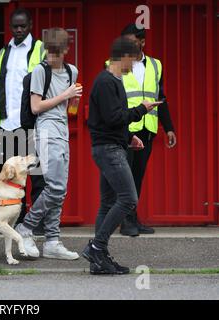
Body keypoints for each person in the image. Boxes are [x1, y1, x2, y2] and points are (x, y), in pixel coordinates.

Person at [82, 37, 161, 275]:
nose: (134, 66)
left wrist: (128, 138)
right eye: (134, 61)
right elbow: (113, 118)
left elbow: (113, 119)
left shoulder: (114, 81)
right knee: (128, 199)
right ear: (124, 57)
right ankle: (97, 247)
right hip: (109, 150)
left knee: (107, 202)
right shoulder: (106, 81)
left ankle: (99, 261)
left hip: (112, 146)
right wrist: (141, 109)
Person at [15, 28, 82, 260]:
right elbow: (36, 107)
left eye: (55, 53)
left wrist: (73, 100)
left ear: (65, 50)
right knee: (54, 187)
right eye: (48, 52)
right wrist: (65, 95)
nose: (50, 57)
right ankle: (26, 227)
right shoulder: (39, 71)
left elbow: (69, 111)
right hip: (45, 131)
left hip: (62, 131)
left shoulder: (72, 72)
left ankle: (52, 241)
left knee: (60, 190)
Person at [0, 8, 46, 233]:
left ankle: (37, 223)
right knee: (9, 176)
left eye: (23, 26)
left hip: (32, 124)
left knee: (38, 176)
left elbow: (47, 86)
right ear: (11, 27)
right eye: (15, 26)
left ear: (30, 25)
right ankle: (9, 221)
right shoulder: (5, 51)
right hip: (7, 124)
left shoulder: (40, 49)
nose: (19, 30)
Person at [118, 23, 176, 236]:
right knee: (125, 177)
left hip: (147, 128)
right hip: (126, 129)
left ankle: (132, 218)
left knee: (137, 176)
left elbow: (161, 98)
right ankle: (126, 222)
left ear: (142, 42)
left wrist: (168, 127)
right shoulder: (115, 64)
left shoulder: (155, 65)